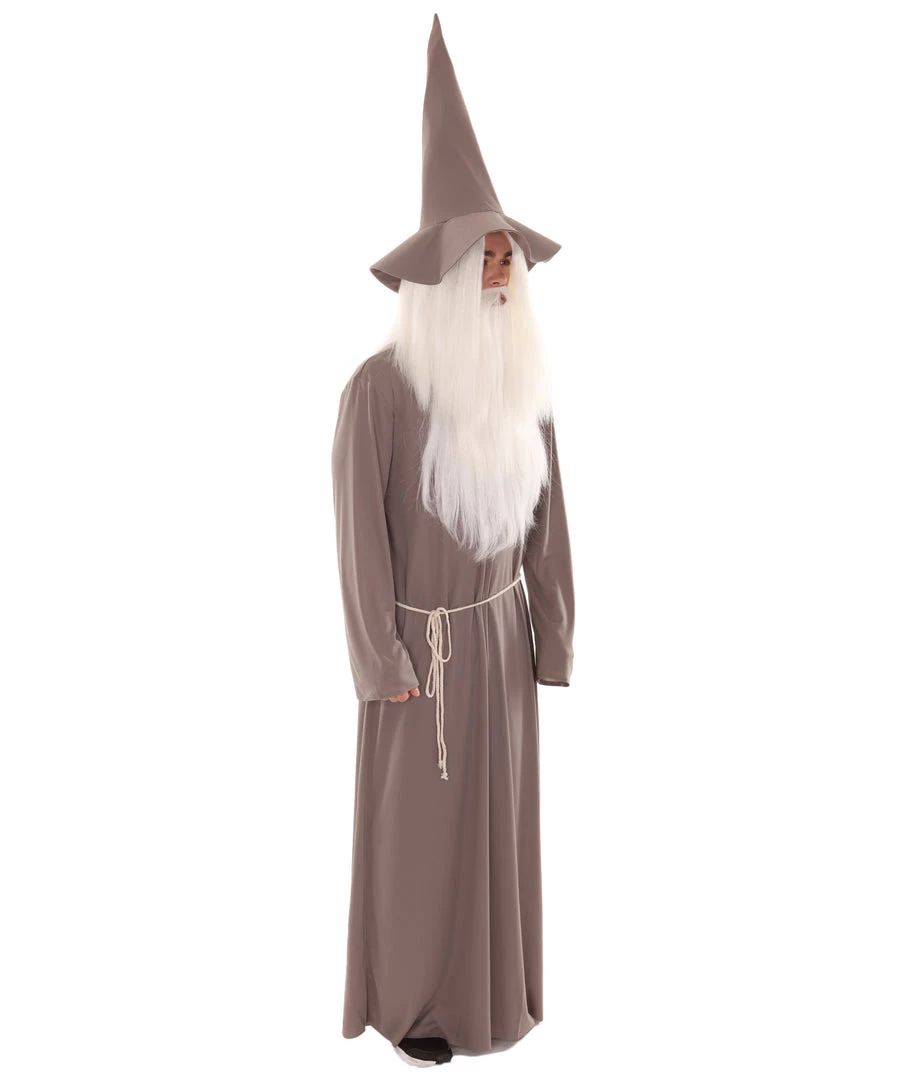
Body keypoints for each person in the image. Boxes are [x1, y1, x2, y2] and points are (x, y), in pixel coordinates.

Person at [331, 14, 575, 1068]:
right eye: (483, 256)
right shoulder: (378, 394)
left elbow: (551, 527)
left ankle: (490, 998)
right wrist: (380, 662)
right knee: (413, 840)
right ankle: (417, 1007)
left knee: (494, 826)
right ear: (440, 274)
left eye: (506, 258)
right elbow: (356, 541)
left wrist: (551, 639)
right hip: (416, 662)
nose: (499, 273)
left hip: (498, 650)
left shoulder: (524, 394)